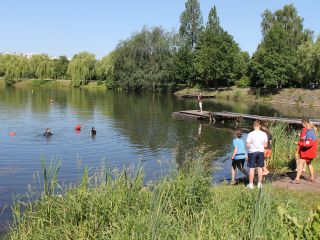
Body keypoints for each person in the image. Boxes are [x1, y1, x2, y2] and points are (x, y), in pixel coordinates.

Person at [292, 119, 318, 184]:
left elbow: (307, 144)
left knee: (300, 163)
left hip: (307, 152)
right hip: (312, 152)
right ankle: (312, 178)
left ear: (307, 125)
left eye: (305, 126)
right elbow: (308, 140)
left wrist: (298, 143)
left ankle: (297, 179)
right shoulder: (313, 131)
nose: (304, 127)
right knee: (309, 163)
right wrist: (301, 136)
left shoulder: (309, 132)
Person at [246, 120, 268, 189]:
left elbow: (247, 145)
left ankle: (251, 184)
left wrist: (251, 143)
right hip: (261, 152)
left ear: (253, 126)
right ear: (260, 126)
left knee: (251, 168)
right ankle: (259, 184)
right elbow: (265, 145)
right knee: (260, 168)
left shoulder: (250, 134)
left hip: (252, 152)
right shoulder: (264, 134)